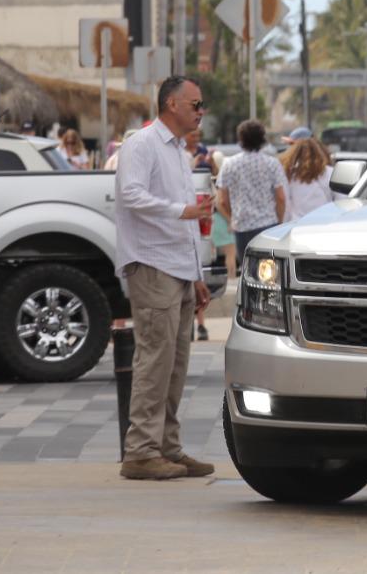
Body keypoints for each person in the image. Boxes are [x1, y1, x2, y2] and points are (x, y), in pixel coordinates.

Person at [113, 75, 214, 482]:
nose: (200, 111)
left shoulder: (178, 151)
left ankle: (166, 447)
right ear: (172, 104)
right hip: (152, 265)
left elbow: (188, 215)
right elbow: (130, 195)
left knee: (175, 364)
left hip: (176, 267)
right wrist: (181, 211)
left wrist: (197, 274)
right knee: (154, 360)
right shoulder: (142, 143)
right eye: (195, 104)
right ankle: (140, 451)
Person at [216, 119, 286, 265]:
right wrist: (279, 220)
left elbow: (222, 200)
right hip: (268, 225)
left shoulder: (229, 164)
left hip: (242, 226)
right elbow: (280, 197)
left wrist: (232, 218)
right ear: (262, 139)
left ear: (241, 139)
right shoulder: (272, 163)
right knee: (270, 274)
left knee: (248, 272)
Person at [184, 129, 220, 341]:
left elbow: (212, 176)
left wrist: (210, 163)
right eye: (193, 136)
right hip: (189, 214)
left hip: (200, 215)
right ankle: (191, 324)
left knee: (196, 272)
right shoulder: (181, 155)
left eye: (198, 136)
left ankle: (200, 324)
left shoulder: (203, 150)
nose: (196, 140)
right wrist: (195, 164)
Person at [281, 135, 334, 223]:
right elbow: (341, 201)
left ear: (295, 154)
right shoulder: (330, 172)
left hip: (297, 225)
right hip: (325, 223)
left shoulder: (289, 174)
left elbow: (286, 205)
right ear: (319, 152)